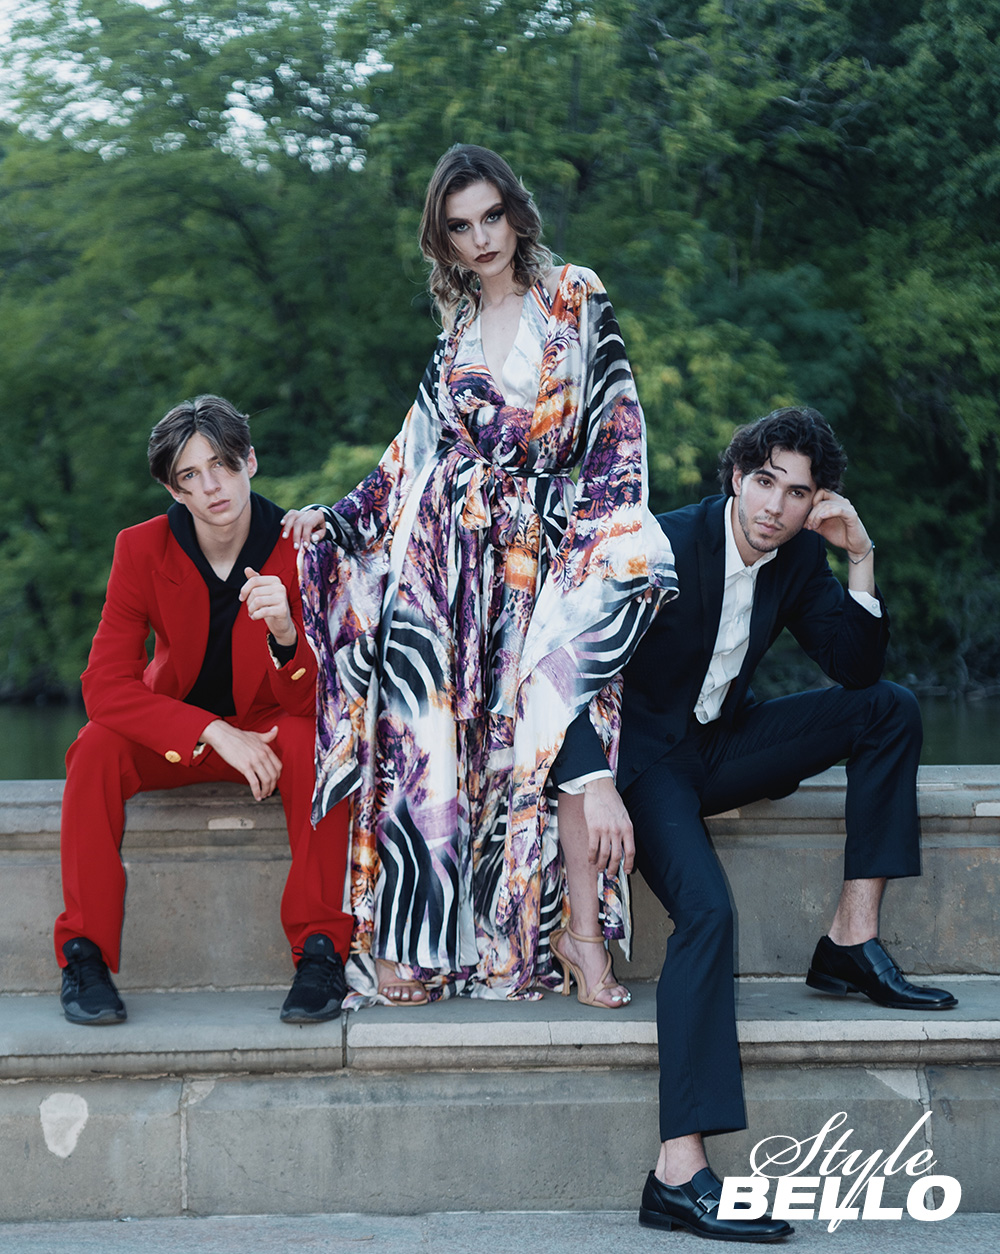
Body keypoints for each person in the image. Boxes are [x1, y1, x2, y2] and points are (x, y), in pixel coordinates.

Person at [282, 144, 677, 1005]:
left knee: (556, 734)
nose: (481, 238)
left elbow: (618, 430)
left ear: (516, 214)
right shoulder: (454, 336)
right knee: (434, 744)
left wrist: (592, 547)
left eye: (491, 216)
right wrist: (338, 520)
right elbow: (407, 456)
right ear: (445, 242)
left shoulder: (574, 295)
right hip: (454, 567)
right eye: (461, 228)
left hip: (554, 553)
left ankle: (576, 939)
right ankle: (419, 942)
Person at [552, 406, 957, 1242]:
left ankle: (851, 941)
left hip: (723, 745)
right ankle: (677, 1174)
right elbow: (561, 667)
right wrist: (594, 785)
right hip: (647, 766)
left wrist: (861, 557)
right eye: (765, 481)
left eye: (797, 493)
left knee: (889, 708)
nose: (775, 505)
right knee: (707, 913)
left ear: (816, 503)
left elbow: (855, 668)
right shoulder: (659, 544)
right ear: (737, 477)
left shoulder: (800, 555)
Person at [55, 395, 352, 1027]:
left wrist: (286, 636)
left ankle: (321, 952)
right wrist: (211, 730)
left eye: (221, 464)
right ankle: (84, 956)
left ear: (250, 462)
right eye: (191, 474)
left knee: (319, 744)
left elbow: (316, 701)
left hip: (271, 733)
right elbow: (104, 685)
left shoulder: (300, 545)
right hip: (184, 735)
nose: (212, 486)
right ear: (174, 489)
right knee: (94, 747)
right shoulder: (141, 549)